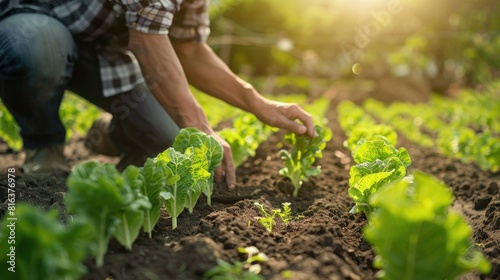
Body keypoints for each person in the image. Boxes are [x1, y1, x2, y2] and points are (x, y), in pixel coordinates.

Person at [0, 0, 315, 188]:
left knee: (170, 142)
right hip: (37, 24)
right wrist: (200, 126)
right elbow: (146, 37)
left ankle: (110, 133)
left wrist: (258, 103)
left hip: (105, 54)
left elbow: (188, 48)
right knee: (38, 48)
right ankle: (45, 147)